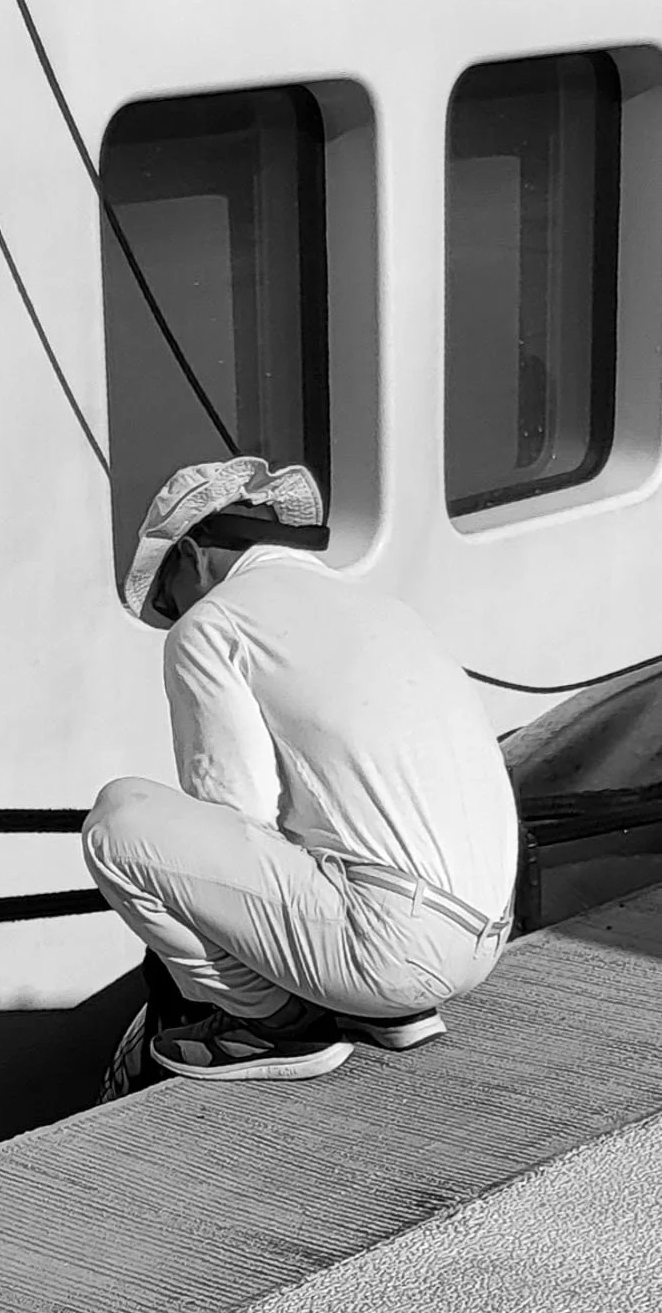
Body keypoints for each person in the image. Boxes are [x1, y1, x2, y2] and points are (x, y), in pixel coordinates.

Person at [84, 456, 519, 1082]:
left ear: (192, 556)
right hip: (481, 942)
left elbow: (235, 808)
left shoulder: (214, 622)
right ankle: (386, 1011)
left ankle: (272, 1027)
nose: (172, 616)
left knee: (118, 821)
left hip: (388, 949)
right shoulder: (388, 611)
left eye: (164, 598)